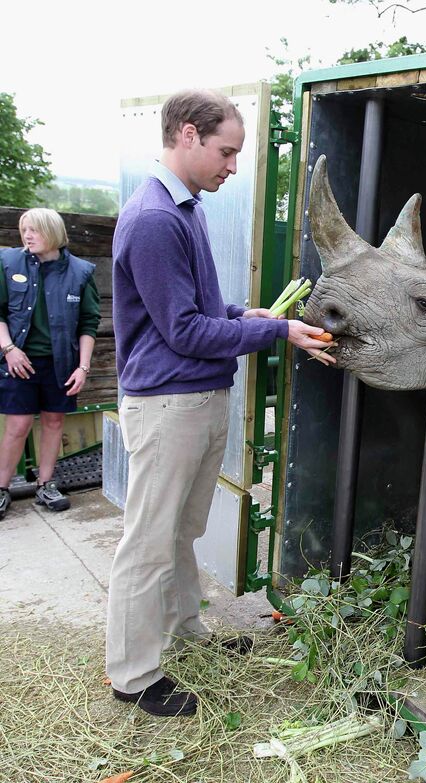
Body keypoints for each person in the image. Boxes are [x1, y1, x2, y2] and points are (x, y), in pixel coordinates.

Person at [106, 88, 333, 718]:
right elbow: (182, 331)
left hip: (197, 397)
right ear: (186, 134)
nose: (232, 167)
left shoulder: (187, 209)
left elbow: (199, 311)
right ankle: (133, 674)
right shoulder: (154, 218)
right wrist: (276, 330)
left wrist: (246, 314)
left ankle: (184, 635)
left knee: (181, 530)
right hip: (167, 405)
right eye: (226, 152)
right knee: (149, 541)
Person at [0, 208, 100, 518]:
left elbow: (88, 323)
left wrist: (83, 368)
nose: (26, 235)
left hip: (61, 364)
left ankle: (46, 485)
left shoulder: (80, 271)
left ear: (53, 233)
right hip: (18, 361)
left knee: (55, 422)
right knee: (18, 424)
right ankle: (2, 488)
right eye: (24, 229)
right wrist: (9, 349)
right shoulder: (8, 262)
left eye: (34, 230)